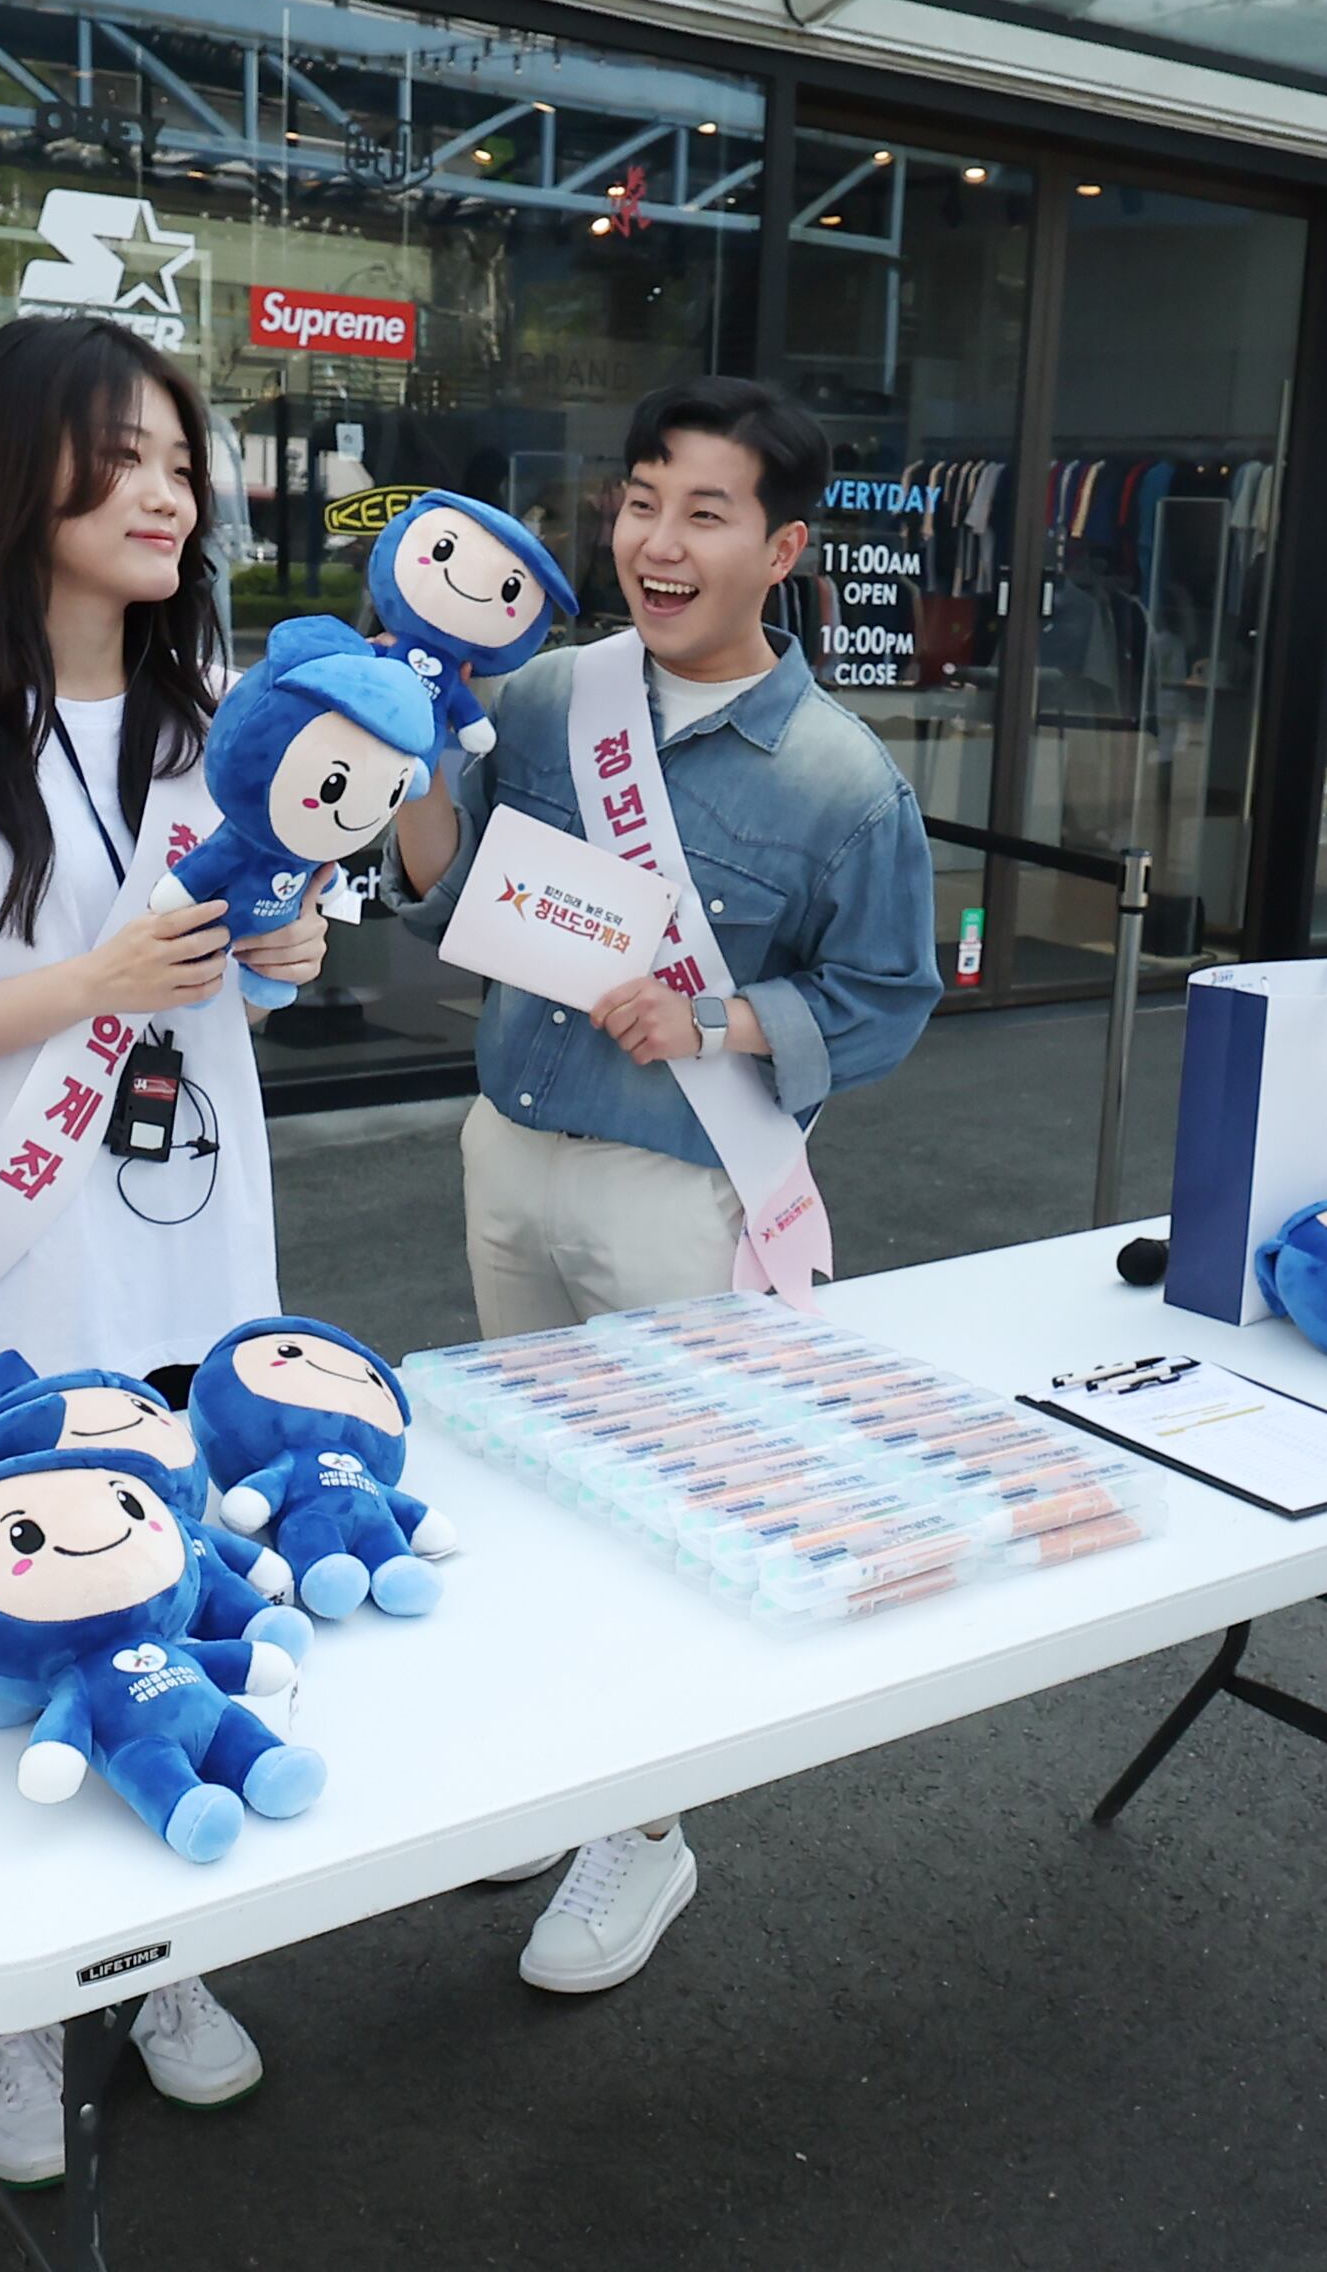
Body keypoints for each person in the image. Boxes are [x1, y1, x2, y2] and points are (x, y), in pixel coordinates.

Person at [0, 314, 322, 2186]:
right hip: (16, 1274)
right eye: (125, 457)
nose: (169, 493)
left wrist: (283, 958)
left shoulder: (216, 714)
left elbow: (241, 976)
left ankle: (168, 1966)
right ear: (8, 472)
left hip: (197, 1260)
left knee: (176, 1589)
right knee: (16, 1624)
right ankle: (24, 2020)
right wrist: (89, 985)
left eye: (184, 461)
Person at [380, 374, 939, 1994]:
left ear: (785, 549)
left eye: (706, 512)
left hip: (679, 1191)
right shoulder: (551, 695)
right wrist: (411, 764)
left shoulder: (840, 781)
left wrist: (718, 1018)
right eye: (640, 503)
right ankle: (557, 1775)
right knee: (524, 1489)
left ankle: (649, 1826)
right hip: (508, 1150)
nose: (660, 543)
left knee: (668, 1519)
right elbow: (447, 895)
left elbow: (886, 1000)